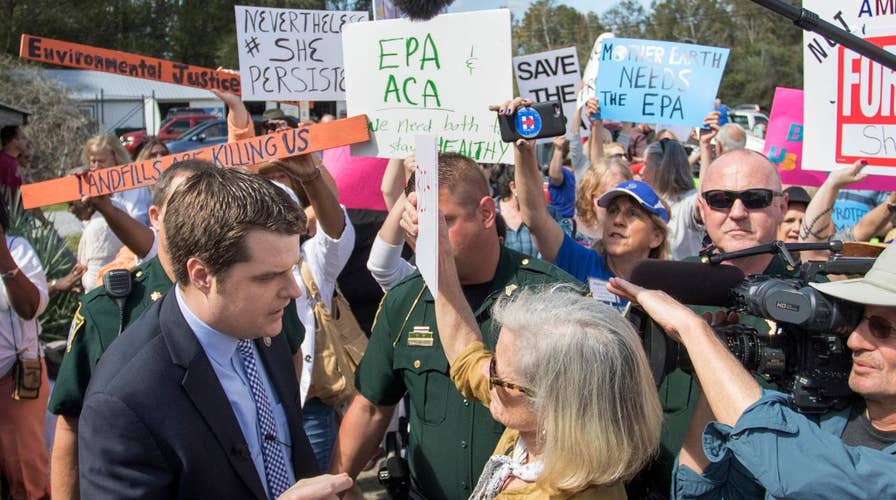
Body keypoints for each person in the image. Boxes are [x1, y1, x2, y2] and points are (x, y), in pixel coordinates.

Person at [78, 166, 351, 499]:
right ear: (202, 274)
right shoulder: (124, 402)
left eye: (292, 268)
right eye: (267, 277)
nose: (293, 290)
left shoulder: (262, 326)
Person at [329, 153, 581, 500]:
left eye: (442, 222)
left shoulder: (550, 297)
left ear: (486, 213)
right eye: (418, 223)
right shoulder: (406, 301)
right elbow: (371, 407)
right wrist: (334, 483)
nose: (425, 236)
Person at [609, 242, 896, 499]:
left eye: (881, 329)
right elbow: (707, 492)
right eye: (860, 320)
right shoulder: (823, 411)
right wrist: (714, 373)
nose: (855, 340)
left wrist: (694, 332)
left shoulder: (799, 443)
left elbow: (806, 477)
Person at [432, 210, 662, 498]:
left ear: (556, 401)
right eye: (493, 365)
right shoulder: (542, 436)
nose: (488, 380)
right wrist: (438, 255)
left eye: (498, 377)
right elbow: (466, 355)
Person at [636, 148, 797, 498]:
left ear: (782, 207)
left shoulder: (816, 304)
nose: (737, 213)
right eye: (721, 200)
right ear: (703, 208)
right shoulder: (669, 287)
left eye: (755, 199)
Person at [498, 98, 669, 309]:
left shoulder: (669, 289)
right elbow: (537, 219)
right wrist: (524, 151)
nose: (618, 220)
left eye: (632, 213)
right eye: (613, 210)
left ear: (656, 237)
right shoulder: (583, 263)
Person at [0, 201, 50, 500]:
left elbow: (31, 307)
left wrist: (4, 260)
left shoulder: (17, 249)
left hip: (15, 381)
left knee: (25, 475)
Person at [642, 138, 705, 260]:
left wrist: (705, 147)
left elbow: (704, 198)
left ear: (660, 168)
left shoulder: (688, 202)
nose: (641, 171)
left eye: (645, 164)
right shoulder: (645, 201)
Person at [82, 134, 152, 226]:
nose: (96, 167)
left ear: (116, 159)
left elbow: (137, 218)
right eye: (93, 161)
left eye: (101, 161)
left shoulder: (135, 183)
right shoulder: (89, 187)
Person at [67, 199, 123, 292]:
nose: (70, 209)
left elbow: (94, 282)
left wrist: (84, 277)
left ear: (86, 201)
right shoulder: (117, 208)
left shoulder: (98, 227)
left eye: (71, 203)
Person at [547, 136, 576, 219]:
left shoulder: (583, 172)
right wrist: (558, 149)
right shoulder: (563, 171)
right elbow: (555, 176)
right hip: (563, 222)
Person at [0, 125, 26, 196]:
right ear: (14, 141)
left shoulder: (14, 161)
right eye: (23, 138)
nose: (26, 142)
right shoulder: (2, 161)